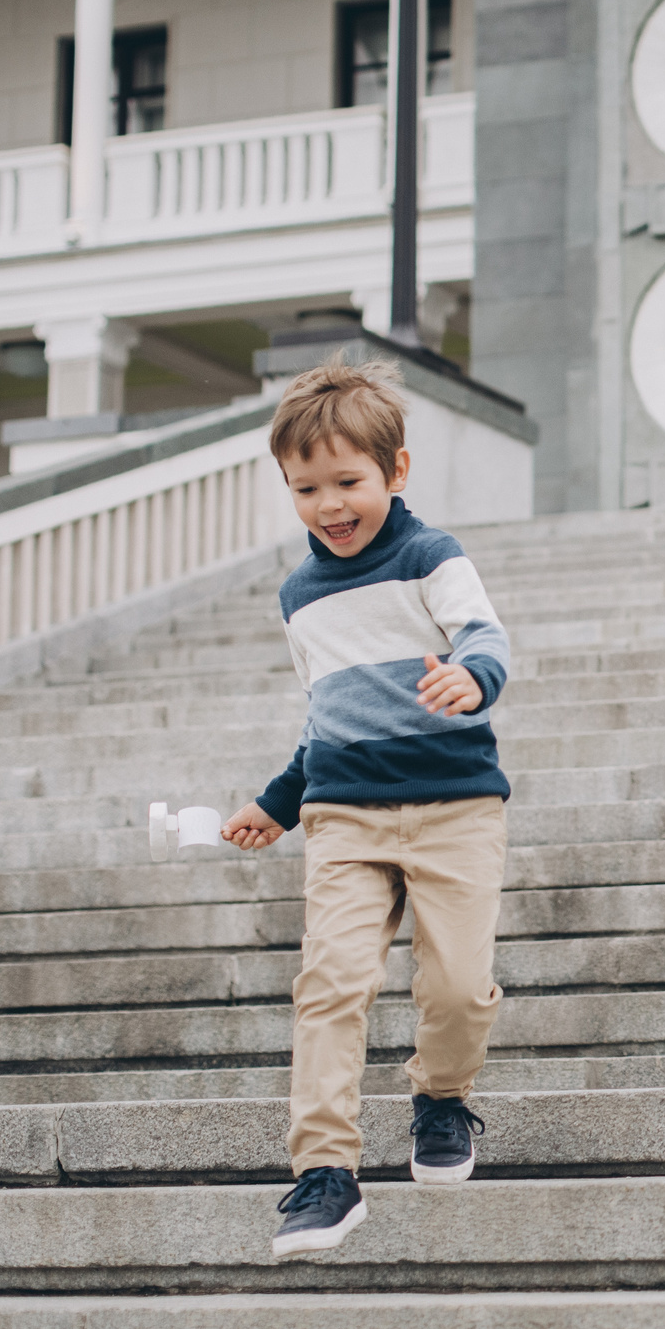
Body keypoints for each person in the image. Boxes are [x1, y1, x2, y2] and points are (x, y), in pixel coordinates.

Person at [218, 361, 513, 1257]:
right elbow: (324, 719)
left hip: (455, 803)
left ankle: (441, 1096)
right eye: (306, 489)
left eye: (348, 482)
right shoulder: (299, 595)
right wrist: (279, 804)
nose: (329, 505)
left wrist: (473, 676)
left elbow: (485, 635)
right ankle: (326, 1171)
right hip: (345, 815)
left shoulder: (431, 555)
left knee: (457, 984)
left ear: (396, 470)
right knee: (331, 984)